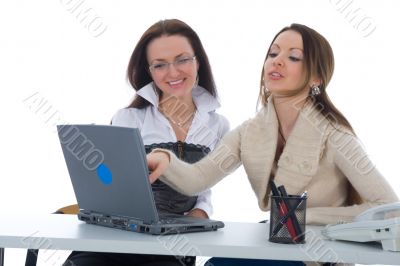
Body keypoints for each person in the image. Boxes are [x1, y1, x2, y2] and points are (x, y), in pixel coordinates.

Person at [146, 23, 399, 266]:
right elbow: (198, 179)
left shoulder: (335, 135)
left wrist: (307, 218)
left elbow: (388, 209)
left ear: (316, 77)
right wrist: (165, 161)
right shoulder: (249, 132)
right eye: (273, 53)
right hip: (278, 242)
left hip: (320, 255)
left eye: (294, 57)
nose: (277, 61)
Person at [63, 19, 229, 266]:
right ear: (149, 71)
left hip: (173, 244)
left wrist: (199, 215)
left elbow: (204, 187)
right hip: (116, 239)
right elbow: (110, 187)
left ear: (198, 62)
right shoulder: (129, 118)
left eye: (183, 59)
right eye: (160, 65)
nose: (173, 73)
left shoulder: (218, 126)